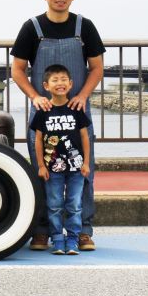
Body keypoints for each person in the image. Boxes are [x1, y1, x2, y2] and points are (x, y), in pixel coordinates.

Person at [10, 0, 105, 251]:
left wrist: (83, 95)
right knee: (42, 171)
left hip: (77, 114)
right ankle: (41, 231)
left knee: (83, 172)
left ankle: (83, 231)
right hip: (44, 115)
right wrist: (35, 96)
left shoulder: (84, 27)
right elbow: (17, 70)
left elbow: (96, 68)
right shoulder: (32, 28)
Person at [30, 64, 91, 254]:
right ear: (46, 86)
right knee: (54, 204)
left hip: (76, 167)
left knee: (74, 205)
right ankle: (57, 238)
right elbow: (38, 140)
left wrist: (86, 163)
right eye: (55, 80)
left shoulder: (76, 109)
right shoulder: (43, 111)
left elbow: (84, 137)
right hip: (52, 168)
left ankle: (72, 239)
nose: (60, 83)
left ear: (70, 84)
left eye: (64, 80)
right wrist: (41, 165)